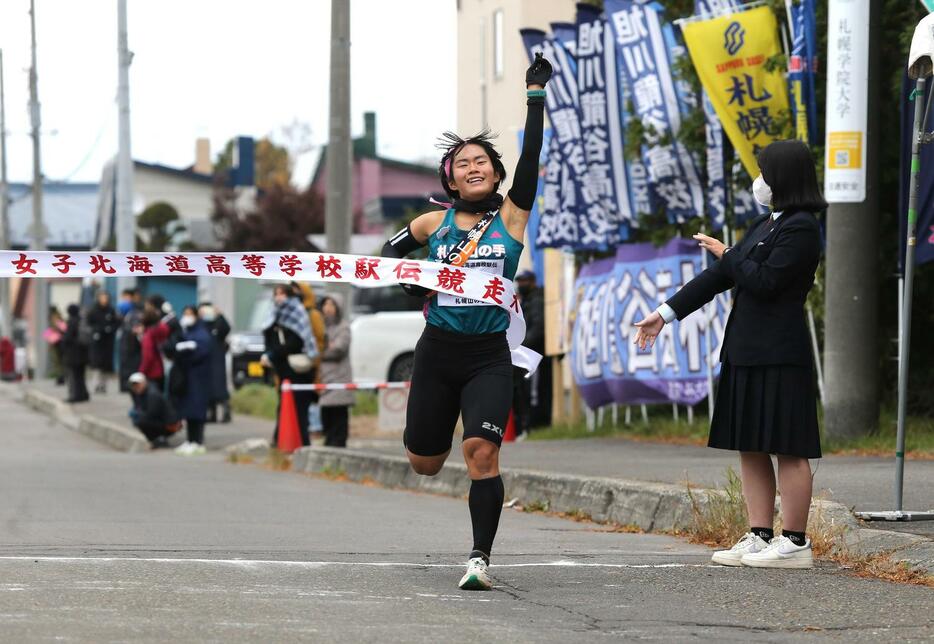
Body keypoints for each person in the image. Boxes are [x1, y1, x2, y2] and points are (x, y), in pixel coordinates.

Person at [380, 53, 551, 590]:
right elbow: (387, 257)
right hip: (437, 352)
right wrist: (411, 280)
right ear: (449, 179)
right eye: (462, 163)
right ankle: (434, 439)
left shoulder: (512, 218)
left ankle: (480, 557)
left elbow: (532, 160)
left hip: (488, 357)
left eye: (482, 161)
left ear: (496, 174)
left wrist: (534, 96)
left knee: (482, 451)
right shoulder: (433, 222)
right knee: (425, 463)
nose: (473, 167)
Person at [634, 139, 825, 570]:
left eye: (764, 171)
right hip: (745, 348)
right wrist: (664, 314)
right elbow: (716, 278)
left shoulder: (802, 227)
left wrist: (728, 252)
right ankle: (758, 535)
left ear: (783, 176)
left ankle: (794, 542)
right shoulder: (764, 224)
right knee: (751, 443)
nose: (759, 181)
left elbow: (765, 282)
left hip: (780, 350)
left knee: (788, 446)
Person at [262, 285, 318, 447]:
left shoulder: (298, 311)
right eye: (276, 294)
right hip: (282, 370)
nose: (279, 297)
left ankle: (303, 444)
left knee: (300, 409)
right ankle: (281, 442)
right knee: (284, 406)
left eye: (282, 293)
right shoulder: (273, 313)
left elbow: (298, 341)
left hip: (298, 370)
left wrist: (274, 353)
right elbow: (268, 336)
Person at [163, 306, 212, 456]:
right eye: (185, 314)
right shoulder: (186, 332)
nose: (187, 317)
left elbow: (201, 352)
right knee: (189, 411)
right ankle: (190, 440)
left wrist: (184, 353)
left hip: (198, 378)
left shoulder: (202, 333)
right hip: (187, 378)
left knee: (197, 411)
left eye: (190, 314)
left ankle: (198, 442)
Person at [511, 270, 547, 437]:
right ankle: (525, 427)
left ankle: (532, 426)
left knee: (532, 392)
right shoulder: (524, 301)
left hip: (533, 356)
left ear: (532, 282)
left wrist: (520, 346)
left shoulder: (537, 301)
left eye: (525, 281)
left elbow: (538, 329)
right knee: (521, 392)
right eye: (520, 281)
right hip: (523, 355)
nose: (522, 285)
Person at [318, 295, 353, 448]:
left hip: (340, 376)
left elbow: (339, 348)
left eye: (332, 304)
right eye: (326, 304)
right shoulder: (321, 326)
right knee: (326, 413)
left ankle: (339, 442)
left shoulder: (344, 327)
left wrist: (321, 351)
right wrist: (326, 347)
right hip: (324, 377)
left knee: (339, 412)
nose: (328, 308)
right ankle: (329, 441)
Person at [127, 372, 180, 448]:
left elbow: (151, 414)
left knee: (140, 421)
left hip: (170, 424)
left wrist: (138, 414)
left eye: (138, 385)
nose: (136, 387)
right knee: (139, 419)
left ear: (144, 383)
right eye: (134, 386)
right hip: (161, 421)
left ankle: (159, 439)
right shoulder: (141, 394)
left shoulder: (152, 394)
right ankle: (156, 439)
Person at [199, 302, 232, 423]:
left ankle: (226, 412)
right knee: (208, 389)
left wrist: (220, 315)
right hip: (205, 361)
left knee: (220, 388)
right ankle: (211, 414)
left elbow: (226, 328)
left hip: (217, 360)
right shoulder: (201, 324)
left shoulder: (217, 323)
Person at [87, 290, 118, 394]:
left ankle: (103, 386)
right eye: (102, 297)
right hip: (97, 341)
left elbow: (116, 322)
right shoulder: (93, 310)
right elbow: (88, 323)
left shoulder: (111, 310)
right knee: (97, 364)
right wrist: (96, 331)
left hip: (108, 341)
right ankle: (96, 385)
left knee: (106, 365)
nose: (104, 300)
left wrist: (111, 329)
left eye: (106, 297)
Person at [139, 296, 171, 392]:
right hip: (162, 369)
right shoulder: (161, 330)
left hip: (152, 372)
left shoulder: (148, 335)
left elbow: (148, 356)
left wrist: (141, 372)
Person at [60, 304, 90, 403]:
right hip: (83, 353)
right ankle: (84, 394)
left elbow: (67, 338)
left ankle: (75, 395)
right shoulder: (81, 321)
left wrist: (61, 341)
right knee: (81, 375)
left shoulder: (71, 321)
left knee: (73, 376)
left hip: (72, 354)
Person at [117, 288, 143, 393]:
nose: (125, 299)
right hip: (125, 342)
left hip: (133, 344)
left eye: (127, 297)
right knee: (124, 364)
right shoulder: (123, 309)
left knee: (132, 365)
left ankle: (130, 385)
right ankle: (124, 385)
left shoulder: (137, 310)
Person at [44, 306, 68, 385]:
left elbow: (58, 329)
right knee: (59, 361)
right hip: (58, 342)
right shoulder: (58, 317)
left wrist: (51, 333)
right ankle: (61, 377)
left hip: (57, 343)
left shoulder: (55, 318)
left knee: (57, 361)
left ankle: (61, 378)